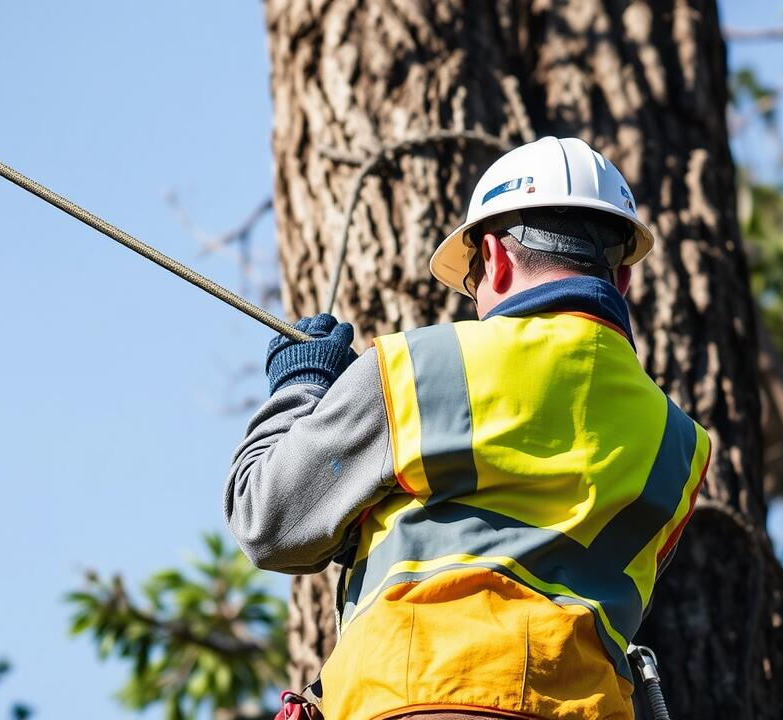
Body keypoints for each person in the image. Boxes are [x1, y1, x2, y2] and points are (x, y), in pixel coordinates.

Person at [224, 137, 711, 720]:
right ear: (623, 279)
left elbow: (270, 521)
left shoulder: (417, 368)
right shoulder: (680, 446)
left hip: (418, 700)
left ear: (495, 260)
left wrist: (299, 390)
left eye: (473, 275)